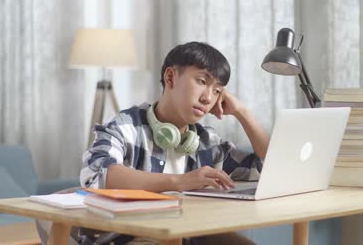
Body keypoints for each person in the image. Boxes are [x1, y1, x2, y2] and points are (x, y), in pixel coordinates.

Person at [79, 42, 270, 245]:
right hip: (128, 238)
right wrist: (180, 181)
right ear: (170, 77)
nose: (208, 98)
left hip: (188, 236)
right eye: (202, 81)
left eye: (217, 91)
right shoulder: (127, 127)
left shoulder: (207, 142)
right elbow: (97, 173)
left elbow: (267, 168)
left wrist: (243, 112)